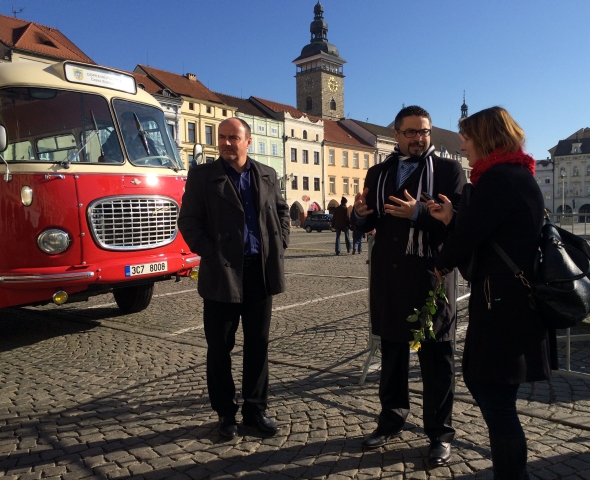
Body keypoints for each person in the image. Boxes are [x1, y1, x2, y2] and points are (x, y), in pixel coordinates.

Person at [427, 107, 554, 479]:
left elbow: (468, 239)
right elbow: (486, 230)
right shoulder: (515, 175)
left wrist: (441, 261)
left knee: (494, 399)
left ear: (484, 137)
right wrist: (454, 217)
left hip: (502, 306)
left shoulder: (497, 179)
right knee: (493, 393)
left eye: (466, 137)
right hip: (506, 302)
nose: (462, 145)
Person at [352, 105, 466, 465]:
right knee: (393, 355)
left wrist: (419, 213)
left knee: (437, 360)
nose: (419, 138)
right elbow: (363, 226)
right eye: (412, 132)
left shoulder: (448, 171)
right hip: (389, 275)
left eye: (425, 132)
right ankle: (391, 418)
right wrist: (358, 215)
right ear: (397, 134)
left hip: (431, 276)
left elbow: (460, 225)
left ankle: (439, 433)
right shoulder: (379, 171)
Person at [177, 117, 290, 438]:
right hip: (222, 273)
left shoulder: (266, 174)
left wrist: (280, 242)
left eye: (234, 138)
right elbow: (189, 222)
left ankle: (255, 410)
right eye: (222, 137)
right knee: (219, 347)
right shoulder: (202, 176)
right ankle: (226, 413)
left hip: (260, 272)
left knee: (258, 345)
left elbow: (282, 211)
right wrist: (211, 254)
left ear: (247, 141)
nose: (227, 143)